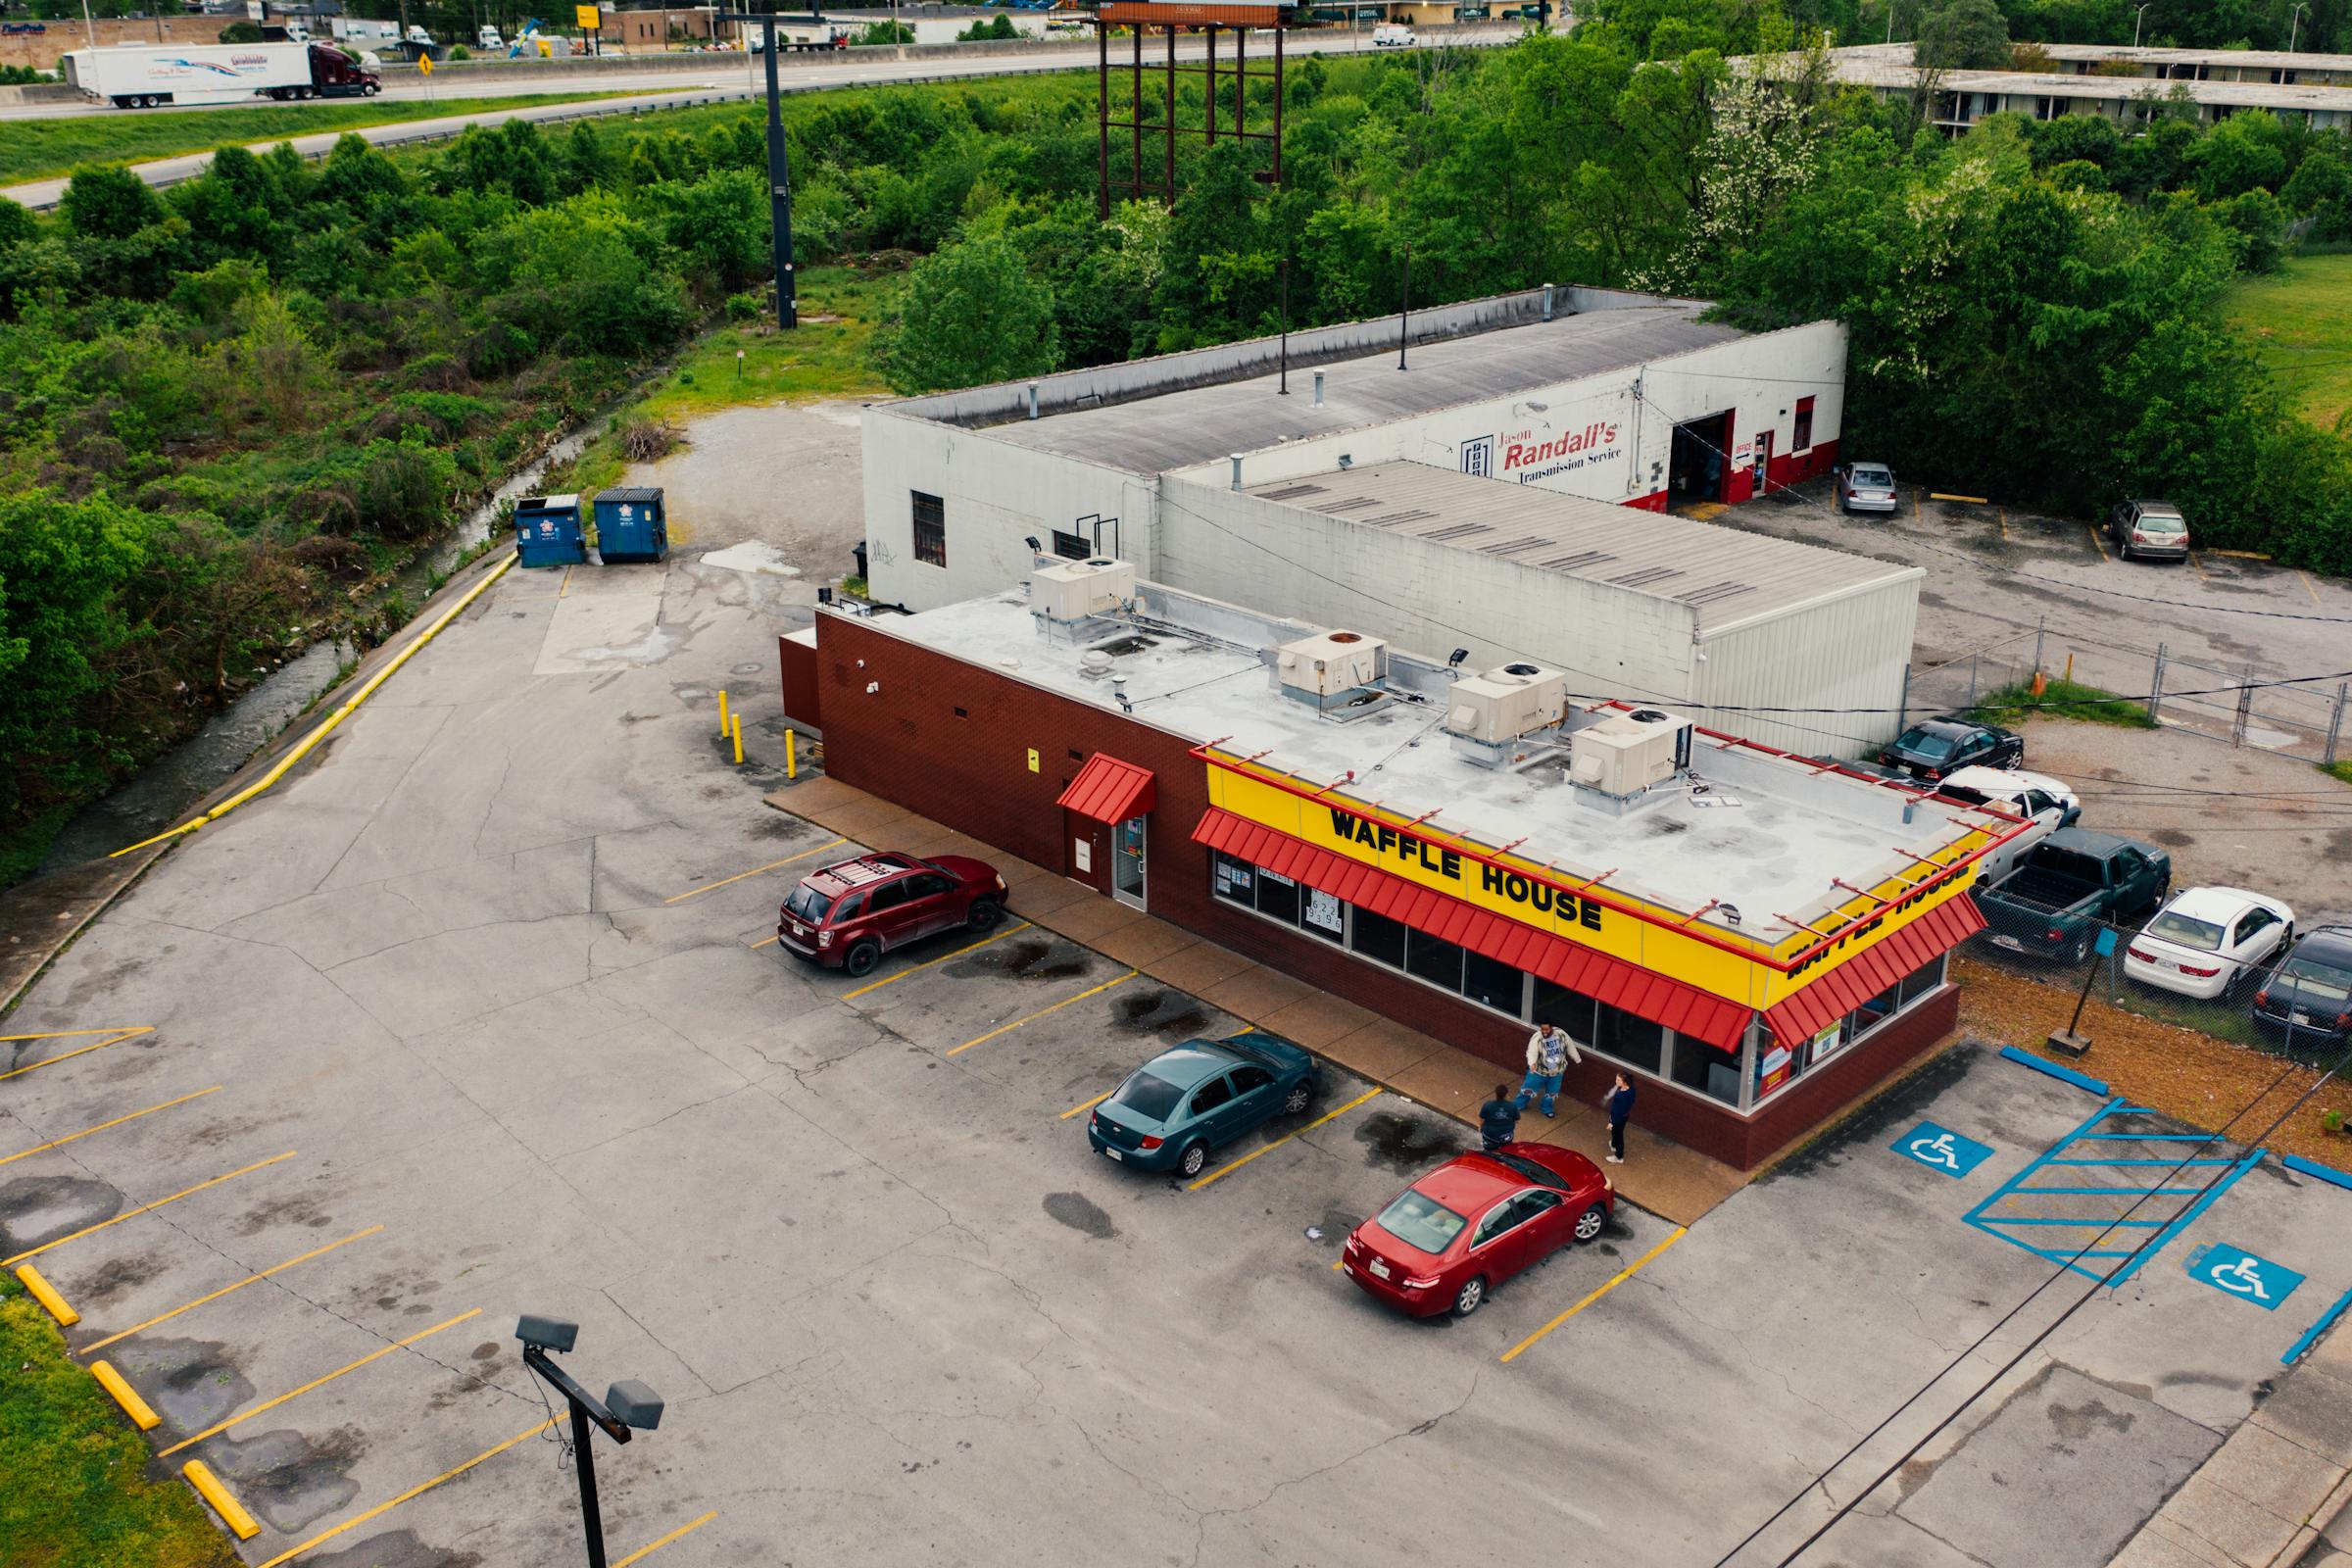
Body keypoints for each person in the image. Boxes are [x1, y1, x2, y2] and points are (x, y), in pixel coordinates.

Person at [1515, 1021, 1583, 1118]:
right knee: (1528, 1089)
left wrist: (1577, 1059)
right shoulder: (1537, 1038)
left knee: (1552, 1092)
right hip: (1538, 1072)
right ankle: (1518, 1105)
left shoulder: (1561, 1034)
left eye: (1546, 1029)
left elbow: (1570, 1046)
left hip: (1557, 1072)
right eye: (1542, 1029)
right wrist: (1531, 1063)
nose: (1544, 1032)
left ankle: (1546, 1108)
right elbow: (1531, 1052)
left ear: (1552, 1028)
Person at [1478, 1083, 1522, 1152]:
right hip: (1506, 1135)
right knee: (1506, 1151)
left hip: (1490, 1135)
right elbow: (1517, 1120)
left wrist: (1480, 1127)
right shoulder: (1512, 1106)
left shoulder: (1488, 1105)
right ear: (1506, 1095)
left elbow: (1481, 1119)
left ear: (1496, 1094)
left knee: (1489, 1151)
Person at [1605, 1072, 1636, 1164]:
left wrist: (1611, 1122)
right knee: (1617, 1133)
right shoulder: (1632, 1089)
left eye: (1618, 1080)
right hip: (1625, 1116)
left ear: (1625, 1082)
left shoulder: (1620, 1095)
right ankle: (1613, 1144)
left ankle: (1619, 1157)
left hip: (1617, 1118)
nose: (1616, 1081)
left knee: (1618, 1136)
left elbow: (1616, 1110)